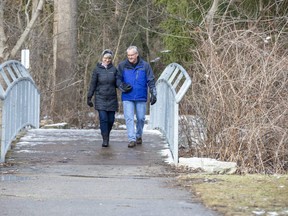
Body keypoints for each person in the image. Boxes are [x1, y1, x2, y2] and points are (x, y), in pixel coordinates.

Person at [87, 49, 131, 147]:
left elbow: (117, 82)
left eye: (109, 58)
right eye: (106, 58)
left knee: (111, 120)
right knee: (103, 119)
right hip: (100, 97)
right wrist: (89, 97)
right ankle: (105, 139)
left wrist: (123, 87)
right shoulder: (97, 70)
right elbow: (92, 84)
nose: (107, 60)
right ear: (102, 58)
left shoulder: (114, 70)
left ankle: (107, 134)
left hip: (112, 98)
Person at [118, 46, 157, 148]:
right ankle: (132, 139)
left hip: (141, 96)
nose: (130, 57)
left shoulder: (145, 66)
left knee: (141, 118)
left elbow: (151, 80)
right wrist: (122, 86)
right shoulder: (122, 66)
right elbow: (117, 79)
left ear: (137, 54)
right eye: (128, 55)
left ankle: (138, 135)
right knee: (129, 118)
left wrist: (153, 93)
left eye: (132, 55)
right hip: (127, 96)